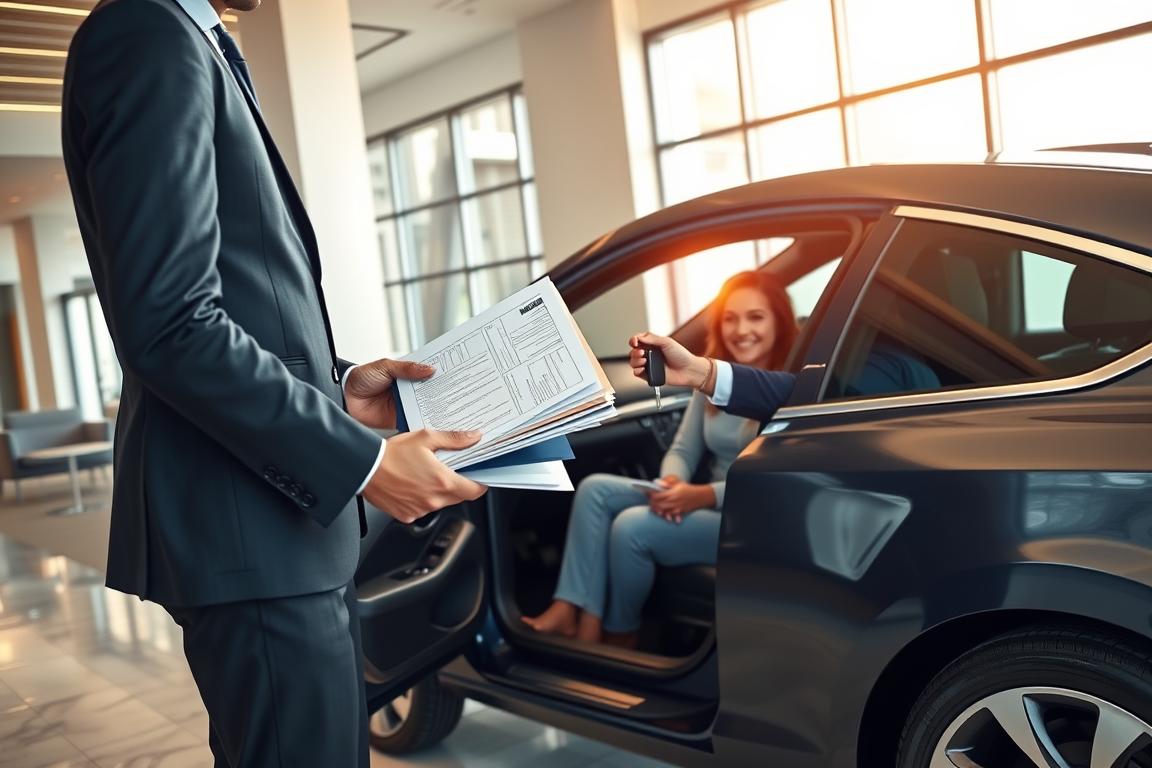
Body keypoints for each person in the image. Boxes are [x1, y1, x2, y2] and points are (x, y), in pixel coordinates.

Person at [61, 1, 486, 765]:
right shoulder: (147, 32)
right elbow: (172, 325)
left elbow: (241, 302)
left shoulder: (186, 37)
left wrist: (342, 386)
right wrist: (364, 460)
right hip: (246, 523)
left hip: (269, 524)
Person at [522, 272, 798, 648]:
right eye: (730, 318)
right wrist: (672, 482)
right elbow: (684, 450)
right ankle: (571, 610)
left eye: (755, 317)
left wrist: (701, 496)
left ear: (779, 323)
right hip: (699, 498)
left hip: (749, 520)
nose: (741, 330)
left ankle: (619, 638)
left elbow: (773, 478)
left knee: (632, 527)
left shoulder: (789, 388)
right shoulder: (712, 378)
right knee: (594, 490)